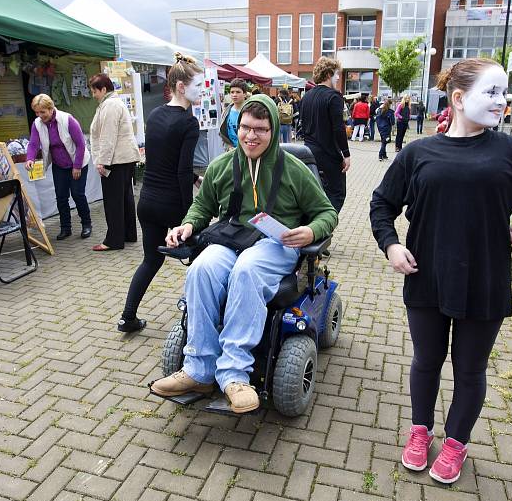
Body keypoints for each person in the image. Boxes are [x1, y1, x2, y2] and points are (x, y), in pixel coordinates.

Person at [370, 58, 512, 484]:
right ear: (458, 97)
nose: (501, 102)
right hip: (426, 275)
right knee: (426, 361)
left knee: (470, 369)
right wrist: (391, 245)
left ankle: (456, 442)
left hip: (484, 279)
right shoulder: (418, 152)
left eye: (504, 93)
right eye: (492, 92)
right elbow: (381, 203)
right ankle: (420, 431)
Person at [151, 95, 338, 413]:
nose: (251, 136)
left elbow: (326, 213)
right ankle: (199, 369)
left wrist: (310, 231)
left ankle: (234, 375)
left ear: (274, 130)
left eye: (261, 129)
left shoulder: (294, 170)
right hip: (233, 237)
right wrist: (187, 225)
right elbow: (203, 206)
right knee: (201, 267)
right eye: (246, 128)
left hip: (276, 244)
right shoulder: (222, 166)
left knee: (246, 269)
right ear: (237, 128)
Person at [118, 54, 202, 332]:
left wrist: (194, 178)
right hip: (172, 203)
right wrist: (190, 214)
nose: (201, 90)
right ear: (181, 86)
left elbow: (162, 158)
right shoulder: (189, 123)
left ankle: (127, 317)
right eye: (198, 85)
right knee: (201, 260)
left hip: (148, 201)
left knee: (151, 259)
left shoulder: (155, 115)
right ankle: (200, 320)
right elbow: (180, 169)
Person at [25, 94, 91, 241]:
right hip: (59, 165)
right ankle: (65, 228)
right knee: (61, 196)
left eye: (42, 112)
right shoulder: (37, 124)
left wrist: (77, 166)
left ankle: (86, 224)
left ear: (51, 108)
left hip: (77, 161)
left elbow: (81, 144)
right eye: (37, 112)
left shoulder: (67, 120)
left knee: (77, 194)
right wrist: (29, 158)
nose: (39, 115)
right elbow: (33, 144)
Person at [88, 73, 141, 252]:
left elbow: (107, 136)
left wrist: (102, 161)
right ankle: (128, 234)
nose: (93, 95)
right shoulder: (114, 102)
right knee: (125, 199)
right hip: (123, 159)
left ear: (103, 89)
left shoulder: (110, 105)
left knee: (113, 201)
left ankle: (113, 240)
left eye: (94, 91)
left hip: (116, 160)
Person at [299, 57, 351, 212]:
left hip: (308, 154)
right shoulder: (334, 96)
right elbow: (338, 128)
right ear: (328, 74)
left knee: (315, 194)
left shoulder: (306, 96)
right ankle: (325, 226)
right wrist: (346, 154)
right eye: (336, 74)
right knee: (337, 194)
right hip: (329, 155)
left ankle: (314, 225)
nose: (337, 78)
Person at [219, 78, 247, 149]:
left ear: (245, 94)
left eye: (238, 92)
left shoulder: (249, 111)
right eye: (232, 92)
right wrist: (228, 146)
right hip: (231, 150)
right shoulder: (226, 111)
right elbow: (223, 132)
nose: (234, 95)